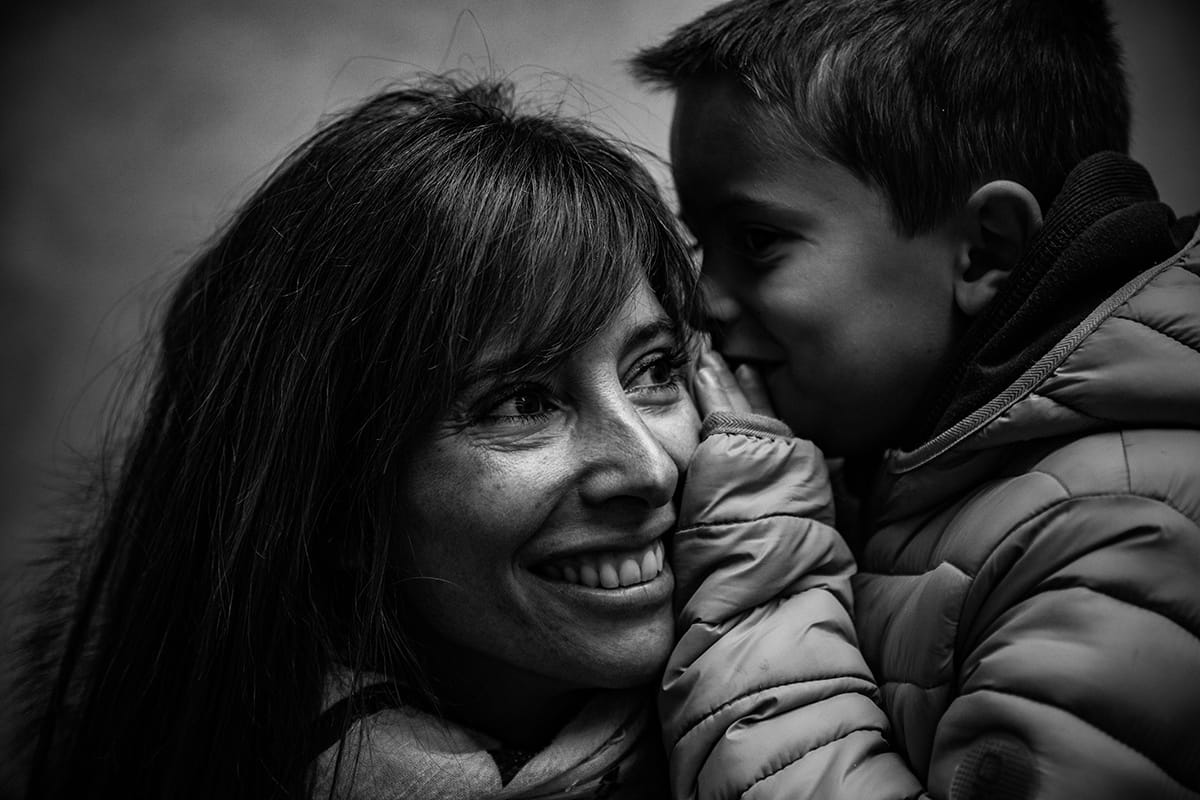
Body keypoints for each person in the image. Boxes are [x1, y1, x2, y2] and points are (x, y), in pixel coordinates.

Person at [17, 74, 706, 799]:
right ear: (336, 493)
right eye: (521, 401)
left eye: (655, 369)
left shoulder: (819, 692)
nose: (649, 468)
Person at [630, 0, 1200, 797]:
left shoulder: (1125, 534)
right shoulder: (901, 451)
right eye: (699, 243)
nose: (701, 301)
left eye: (756, 241)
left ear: (986, 250)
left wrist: (759, 569)